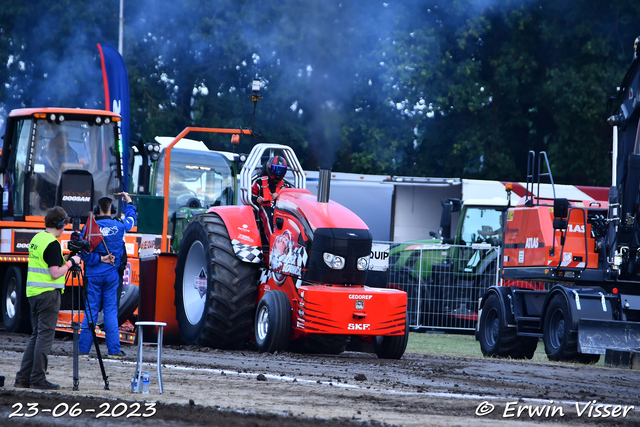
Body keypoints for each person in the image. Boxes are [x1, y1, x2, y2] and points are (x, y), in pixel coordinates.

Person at [15, 207, 81, 390]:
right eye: (65, 225)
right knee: (44, 336)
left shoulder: (37, 239)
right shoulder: (52, 243)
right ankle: (38, 379)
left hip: (34, 293)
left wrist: (65, 259)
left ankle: (23, 378)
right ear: (60, 224)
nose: (65, 228)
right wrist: (71, 263)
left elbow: (47, 264)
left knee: (36, 335)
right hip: (48, 294)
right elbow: (54, 273)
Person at [78, 193, 137, 359]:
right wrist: (130, 203)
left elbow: (83, 254)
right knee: (111, 312)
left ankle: (83, 350)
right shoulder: (120, 226)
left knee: (91, 312)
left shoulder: (89, 228)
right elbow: (132, 220)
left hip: (93, 275)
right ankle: (114, 350)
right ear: (113, 210)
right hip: (111, 276)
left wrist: (99, 258)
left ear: (97, 209)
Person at [251, 156, 291, 242]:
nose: (278, 173)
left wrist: (280, 196)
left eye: (281, 170)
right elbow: (248, 195)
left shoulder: (286, 186)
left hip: (281, 211)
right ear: (269, 168)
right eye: (276, 169)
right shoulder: (259, 182)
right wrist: (257, 198)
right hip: (264, 208)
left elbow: (291, 199)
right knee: (268, 215)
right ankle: (274, 244)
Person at [38, 130, 79, 209]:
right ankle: (45, 204)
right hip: (51, 180)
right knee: (42, 178)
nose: (62, 140)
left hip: (69, 180)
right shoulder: (48, 153)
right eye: (60, 138)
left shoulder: (73, 154)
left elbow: (75, 166)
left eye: (64, 138)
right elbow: (46, 164)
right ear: (56, 139)